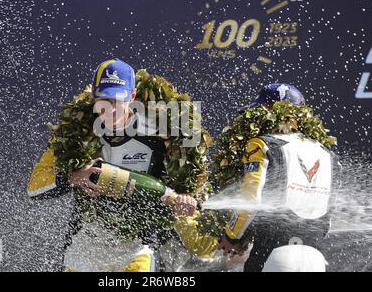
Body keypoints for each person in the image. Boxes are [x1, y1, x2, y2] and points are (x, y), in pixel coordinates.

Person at [27, 59, 209, 271]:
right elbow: (34, 187)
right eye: (103, 99)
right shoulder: (75, 132)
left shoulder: (162, 132)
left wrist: (186, 197)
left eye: (117, 100)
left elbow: (186, 183)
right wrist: (74, 177)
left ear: (131, 97)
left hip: (138, 246)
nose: (110, 109)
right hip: (85, 244)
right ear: (94, 97)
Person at [172, 83, 341, 272]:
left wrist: (231, 237)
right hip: (315, 258)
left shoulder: (262, 144)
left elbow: (250, 200)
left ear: (269, 111)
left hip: (273, 257)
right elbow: (328, 220)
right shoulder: (327, 155)